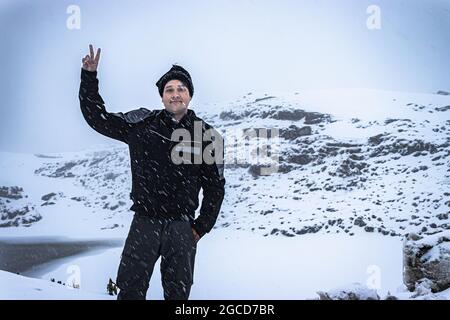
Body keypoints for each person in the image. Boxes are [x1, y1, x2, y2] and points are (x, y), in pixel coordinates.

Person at [79, 44, 225, 300]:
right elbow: (97, 118)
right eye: (169, 89)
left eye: (181, 89)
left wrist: (201, 227)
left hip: (182, 226)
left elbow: (215, 186)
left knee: (178, 295)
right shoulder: (141, 123)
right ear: (162, 96)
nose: (175, 94)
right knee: (131, 291)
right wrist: (89, 77)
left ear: (190, 95)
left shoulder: (206, 135)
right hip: (144, 223)